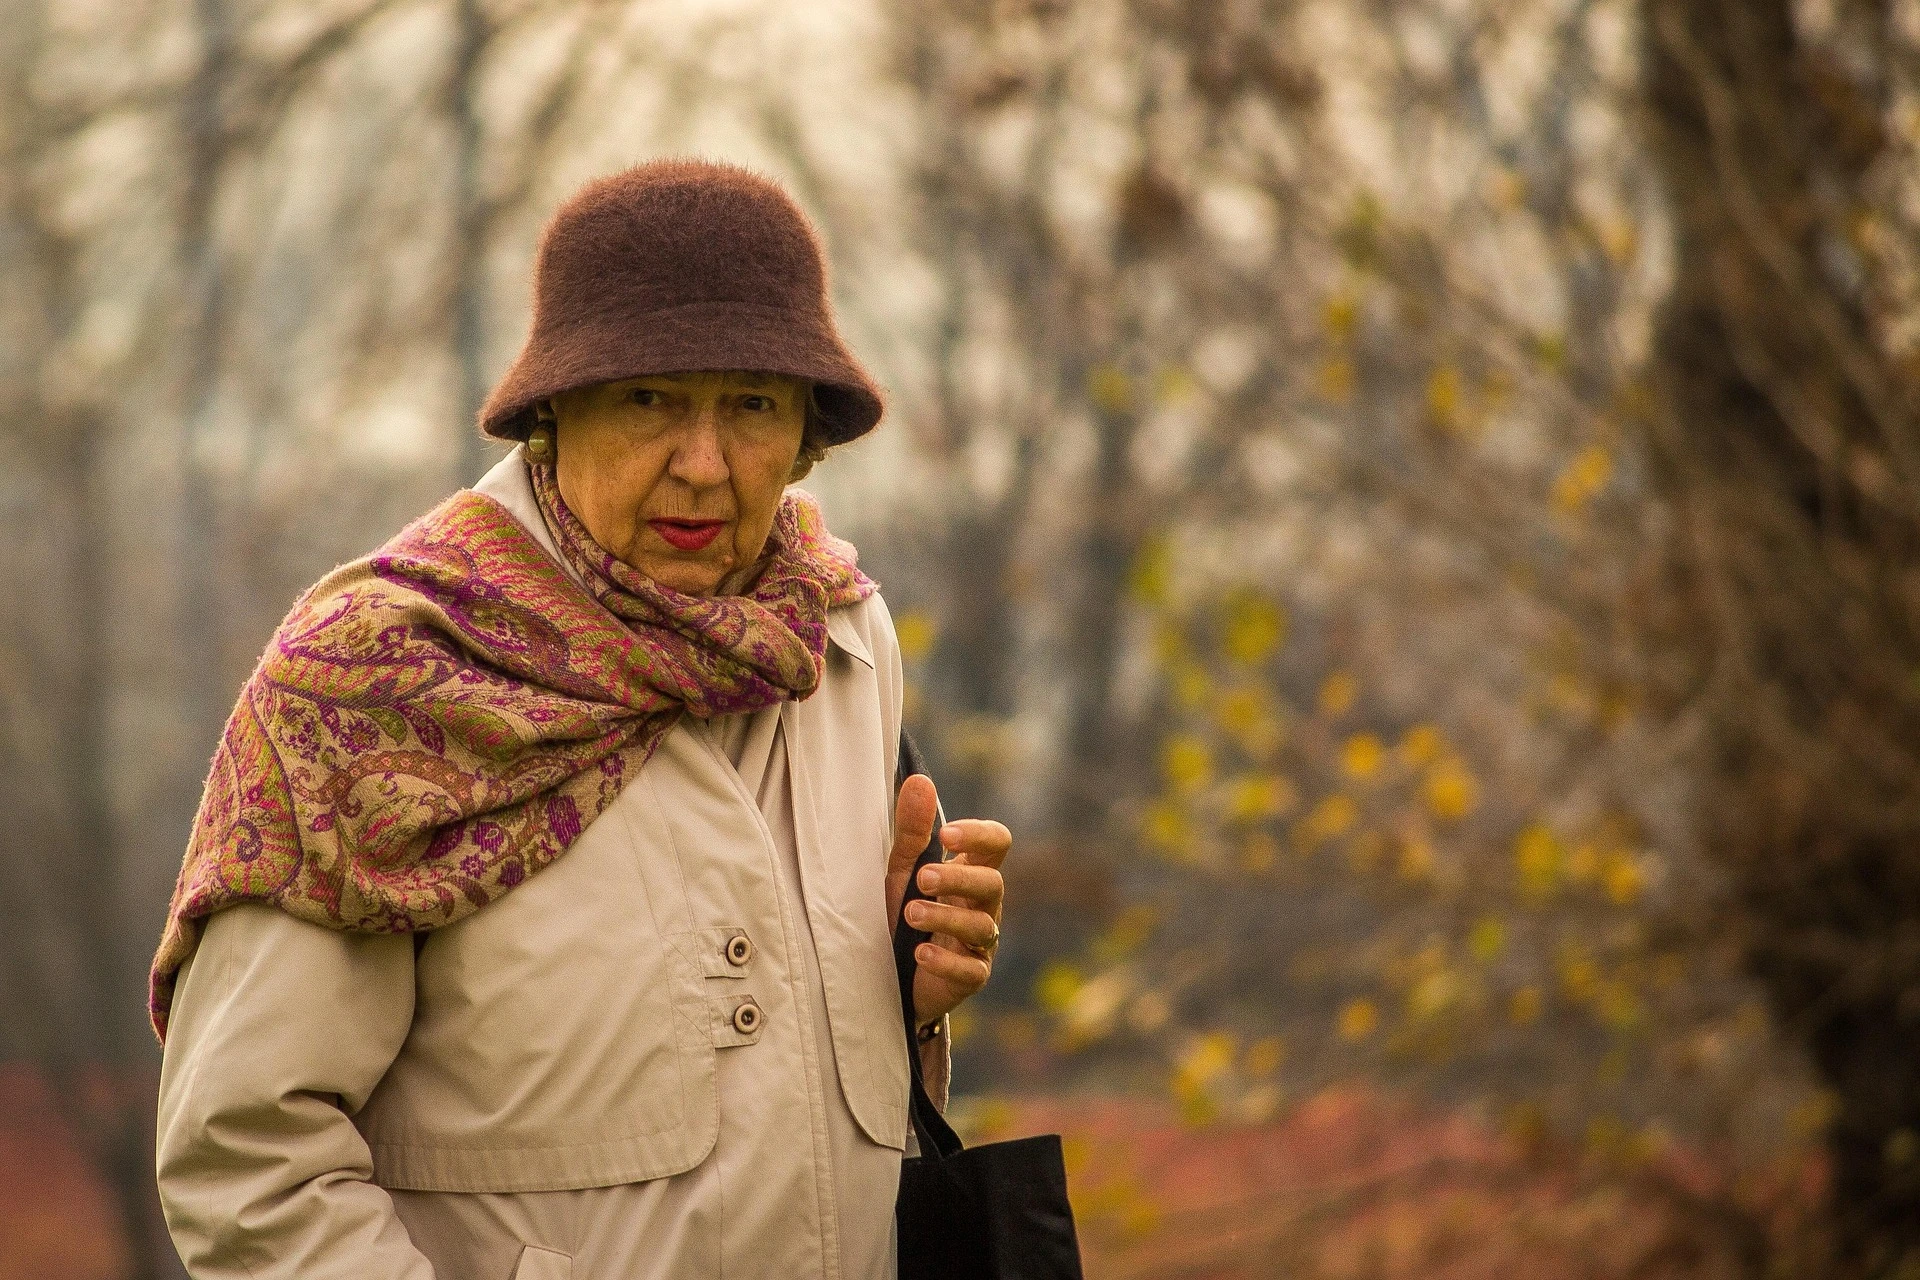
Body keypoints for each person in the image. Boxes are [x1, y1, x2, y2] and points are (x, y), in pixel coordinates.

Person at [151, 157, 1009, 1280]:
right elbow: (244, 1161)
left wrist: (905, 990)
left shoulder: (840, 644)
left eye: (750, 404)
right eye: (650, 397)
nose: (703, 464)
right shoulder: (372, 684)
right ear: (555, 412)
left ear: (806, 432)